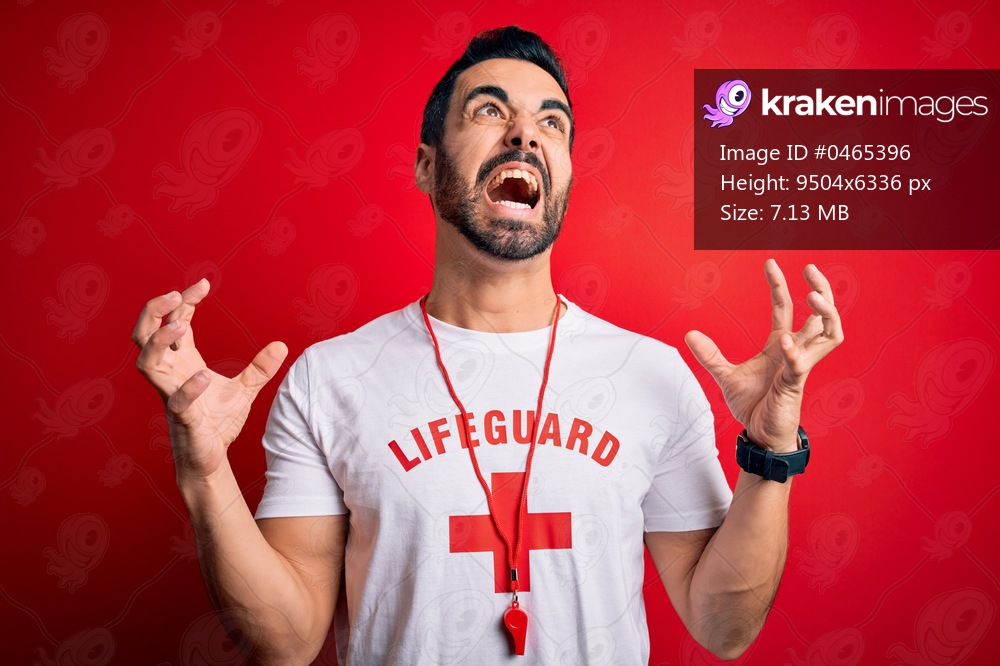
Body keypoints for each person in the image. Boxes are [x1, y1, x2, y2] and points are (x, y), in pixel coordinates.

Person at [133, 26, 843, 665]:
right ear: (425, 166)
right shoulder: (331, 378)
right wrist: (204, 472)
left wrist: (771, 453)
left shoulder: (652, 375)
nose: (525, 135)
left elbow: (725, 627)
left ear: (566, 174)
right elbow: (284, 643)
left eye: (551, 122)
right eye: (489, 111)